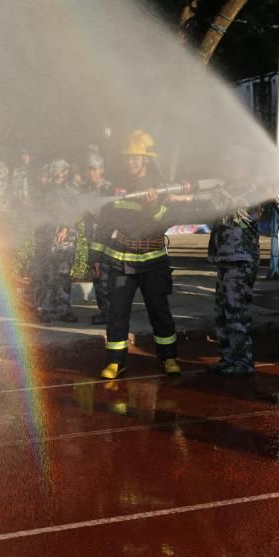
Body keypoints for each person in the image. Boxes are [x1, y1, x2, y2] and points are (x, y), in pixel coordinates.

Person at [93, 130, 181, 379]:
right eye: (127, 158)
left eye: (135, 157)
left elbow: (171, 218)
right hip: (121, 261)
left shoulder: (162, 187)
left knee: (159, 312)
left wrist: (153, 206)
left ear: (147, 160)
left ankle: (168, 358)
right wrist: (95, 257)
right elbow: (104, 225)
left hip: (153, 261)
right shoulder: (117, 187)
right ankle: (115, 361)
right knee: (117, 314)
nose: (130, 162)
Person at [206, 190, 259, 376]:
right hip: (225, 261)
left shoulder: (249, 190)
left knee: (237, 314)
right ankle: (228, 358)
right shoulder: (224, 189)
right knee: (221, 313)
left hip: (240, 261)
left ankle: (243, 362)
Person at [32, 159, 79, 323]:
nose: (59, 174)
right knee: (45, 273)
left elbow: (74, 212)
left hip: (65, 239)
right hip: (47, 237)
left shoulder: (71, 191)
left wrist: (65, 229)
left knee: (63, 274)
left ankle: (63, 309)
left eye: (61, 171)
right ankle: (44, 309)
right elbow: (40, 214)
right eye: (56, 170)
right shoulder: (45, 191)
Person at [82, 154, 113, 324]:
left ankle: (110, 313)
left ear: (102, 169)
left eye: (94, 169)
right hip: (91, 241)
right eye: (88, 169)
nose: (91, 173)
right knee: (96, 275)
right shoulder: (86, 190)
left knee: (106, 276)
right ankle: (104, 311)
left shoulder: (109, 189)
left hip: (106, 242)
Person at [9, 149, 34, 213]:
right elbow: (12, 187)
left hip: (31, 205)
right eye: (23, 155)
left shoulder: (34, 172)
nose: (25, 157)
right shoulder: (15, 171)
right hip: (18, 203)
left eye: (27, 155)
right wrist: (20, 200)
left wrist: (30, 202)